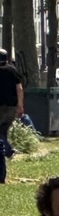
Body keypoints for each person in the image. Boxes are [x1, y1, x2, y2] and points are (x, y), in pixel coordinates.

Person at [0, 47, 24, 184]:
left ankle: (7, 150)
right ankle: (7, 150)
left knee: (1, 133)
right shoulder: (12, 70)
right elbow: (19, 89)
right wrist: (20, 105)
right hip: (11, 107)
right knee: (3, 130)